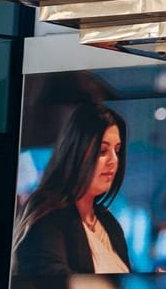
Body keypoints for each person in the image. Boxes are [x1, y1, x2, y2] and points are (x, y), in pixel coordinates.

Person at [12, 102, 137, 276]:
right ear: (76, 151)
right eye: (102, 151)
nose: (114, 160)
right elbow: (53, 288)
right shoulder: (46, 215)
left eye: (117, 150)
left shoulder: (109, 223)